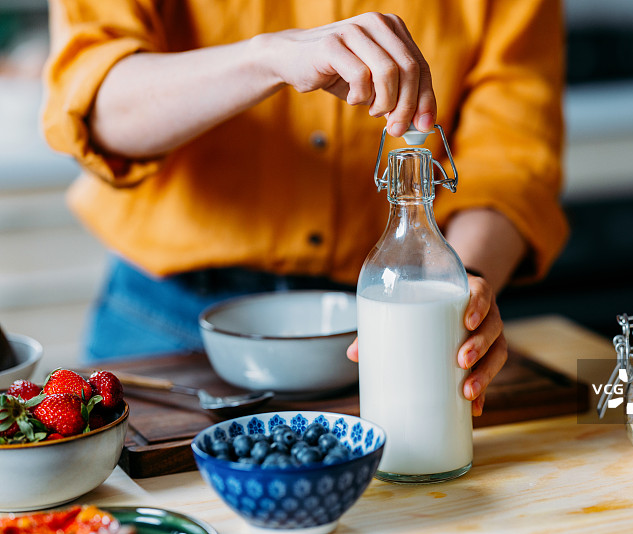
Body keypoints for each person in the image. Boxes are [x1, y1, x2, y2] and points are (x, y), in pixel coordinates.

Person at [42, 0, 568, 417]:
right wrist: (264, 58)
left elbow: (512, 158)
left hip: (379, 329)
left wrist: (463, 287)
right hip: (163, 322)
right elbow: (96, 105)